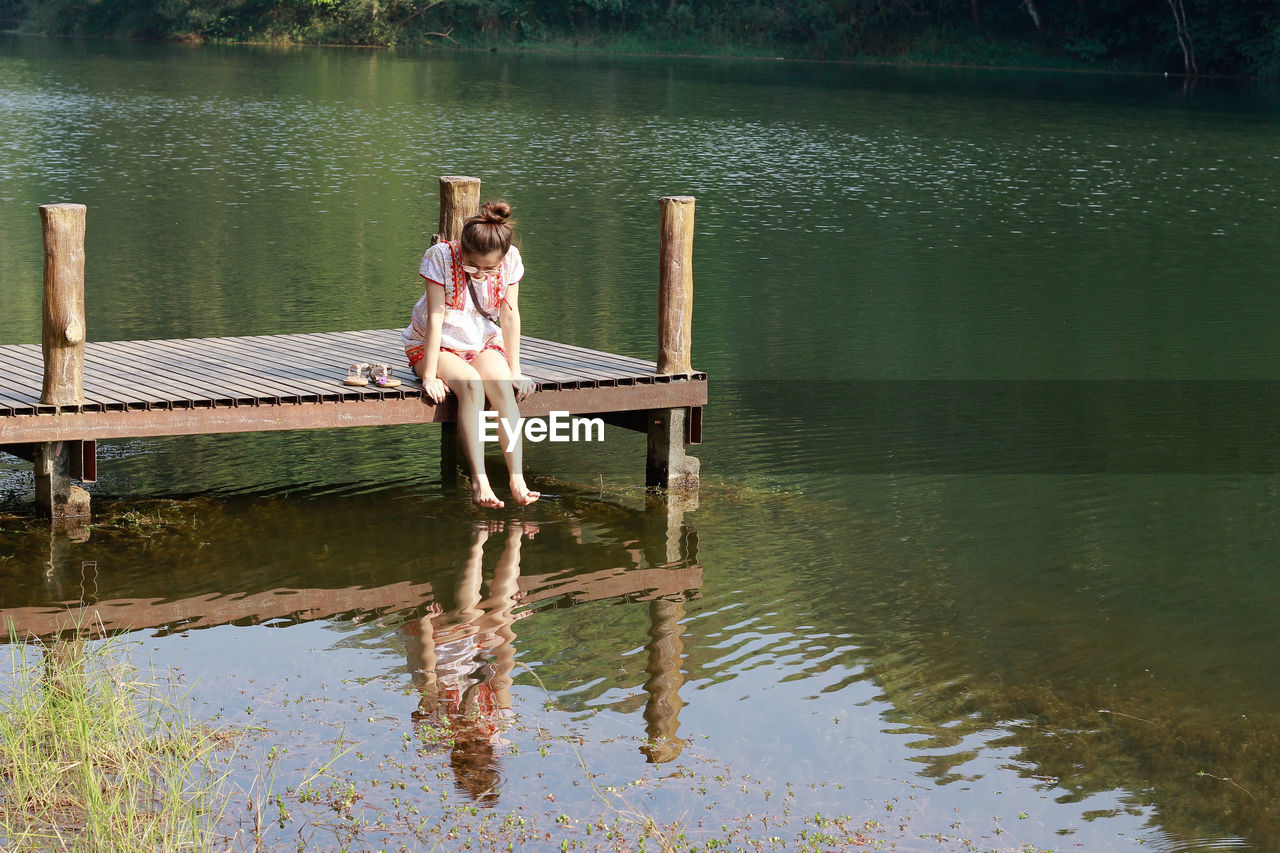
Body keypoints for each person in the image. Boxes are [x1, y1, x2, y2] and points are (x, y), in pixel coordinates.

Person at [403, 201, 540, 508]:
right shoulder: (439, 257)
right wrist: (428, 376)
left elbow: (510, 315)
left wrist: (515, 370)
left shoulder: (511, 260)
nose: (479, 274)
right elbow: (436, 316)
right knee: (471, 386)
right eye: (471, 266)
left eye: (488, 269)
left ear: (502, 258)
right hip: (434, 343)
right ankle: (480, 482)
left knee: (503, 387)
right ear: (461, 251)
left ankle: (516, 478)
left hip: (480, 340)